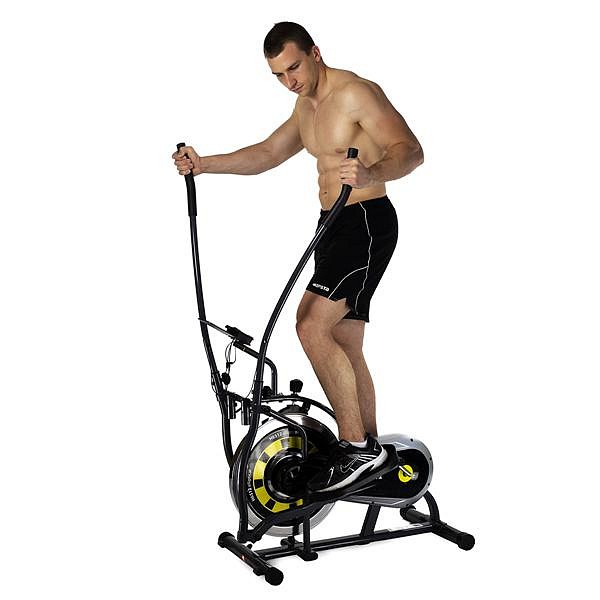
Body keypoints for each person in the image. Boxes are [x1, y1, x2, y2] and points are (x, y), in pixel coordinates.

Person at [171, 21, 424, 493]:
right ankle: (374, 463)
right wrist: (205, 165)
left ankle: (356, 449)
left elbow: (411, 151)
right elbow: (269, 152)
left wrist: (372, 171)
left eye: (294, 68)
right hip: (333, 225)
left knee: (310, 326)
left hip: (365, 222)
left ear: (315, 53)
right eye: (279, 75)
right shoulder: (306, 105)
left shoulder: (356, 93)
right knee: (344, 341)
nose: (290, 81)